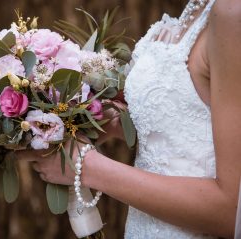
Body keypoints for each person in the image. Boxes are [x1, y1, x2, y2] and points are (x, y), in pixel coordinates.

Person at [16, 0, 241, 238]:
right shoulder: (202, 6)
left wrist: (85, 166)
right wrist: (114, 121)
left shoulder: (232, 12)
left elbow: (231, 212)